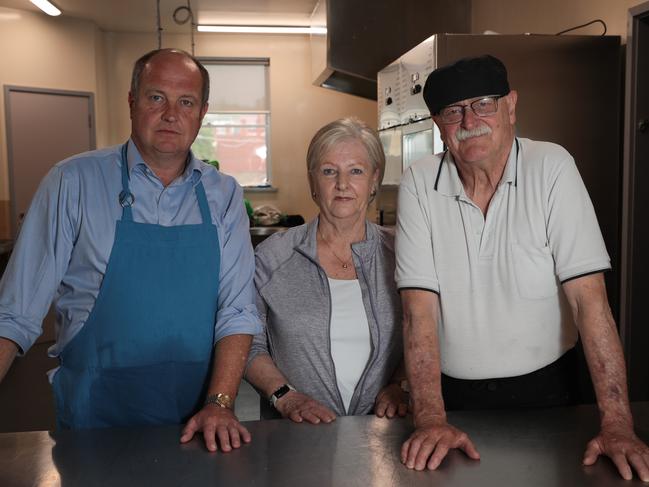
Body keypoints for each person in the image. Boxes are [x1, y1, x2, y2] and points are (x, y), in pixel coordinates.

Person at [395, 55, 649, 481]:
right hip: (451, 400)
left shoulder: (552, 167)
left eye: (483, 104)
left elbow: (590, 304)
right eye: (453, 111)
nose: (469, 120)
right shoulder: (419, 182)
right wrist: (430, 419)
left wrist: (618, 424)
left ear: (511, 106)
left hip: (551, 394)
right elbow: (417, 312)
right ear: (438, 125)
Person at [0, 48, 261, 453]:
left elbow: (237, 310)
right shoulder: (72, 182)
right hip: (96, 415)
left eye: (186, 102)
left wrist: (220, 402)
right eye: (157, 97)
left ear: (202, 112)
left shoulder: (223, 195)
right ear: (132, 102)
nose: (171, 113)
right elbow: (13, 315)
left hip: (197, 421)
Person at [245, 118, 407, 422]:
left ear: (374, 180)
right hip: (296, 436)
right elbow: (248, 343)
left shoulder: (401, 254)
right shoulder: (273, 257)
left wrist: (401, 385)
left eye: (356, 171)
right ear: (312, 182)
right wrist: (285, 396)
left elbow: (424, 329)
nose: (342, 184)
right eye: (329, 171)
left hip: (382, 435)